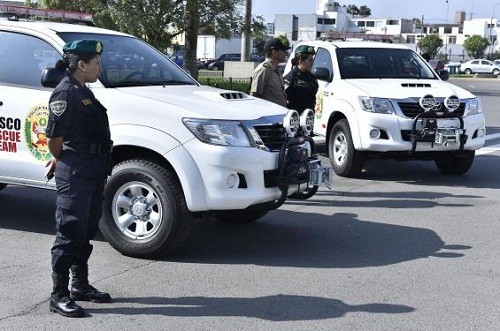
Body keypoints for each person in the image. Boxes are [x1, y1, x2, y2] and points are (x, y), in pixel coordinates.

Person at [45, 39, 113, 318]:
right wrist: (61, 158)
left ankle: (80, 286)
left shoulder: (83, 90)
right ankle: (58, 295)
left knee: (85, 230)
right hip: (75, 174)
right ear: (81, 65)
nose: (100, 67)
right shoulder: (64, 94)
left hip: (92, 171)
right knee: (69, 232)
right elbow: (54, 139)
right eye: (96, 63)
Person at [250, 37, 290, 107]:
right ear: (274, 52)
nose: (285, 53)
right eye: (282, 51)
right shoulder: (263, 69)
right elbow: (255, 96)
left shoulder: (277, 70)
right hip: (269, 114)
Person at [284, 45, 319, 115]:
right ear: (300, 61)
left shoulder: (312, 77)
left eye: (312, 60)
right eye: (310, 60)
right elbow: (284, 99)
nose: (312, 63)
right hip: (295, 118)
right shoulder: (290, 78)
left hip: (308, 118)